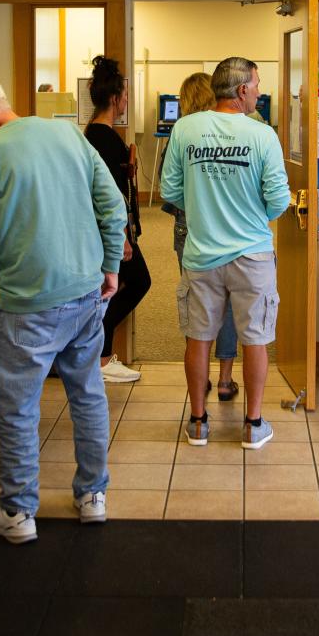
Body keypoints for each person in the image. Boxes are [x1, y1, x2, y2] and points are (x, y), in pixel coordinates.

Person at [0, 78, 126, 544]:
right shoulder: (65, 134)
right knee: (88, 394)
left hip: (28, 309)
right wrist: (111, 266)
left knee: (18, 410)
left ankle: (17, 512)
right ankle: (93, 496)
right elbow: (112, 205)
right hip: (85, 297)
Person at [160, 57, 290, 449]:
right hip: (253, 255)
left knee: (198, 339)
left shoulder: (185, 128)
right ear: (241, 91)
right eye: (256, 85)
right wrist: (251, 218)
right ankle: (252, 425)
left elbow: (169, 191)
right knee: (254, 339)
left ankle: (198, 423)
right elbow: (279, 200)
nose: (259, 91)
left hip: (201, 255)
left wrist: (205, 211)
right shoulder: (262, 134)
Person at [160, 72, 241, 401]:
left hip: (189, 226)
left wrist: (193, 206)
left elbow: (169, 190)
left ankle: (200, 376)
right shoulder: (236, 133)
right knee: (231, 303)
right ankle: (225, 379)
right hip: (231, 228)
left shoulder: (181, 134)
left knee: (198, 301)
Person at [83, 55, 152, 383]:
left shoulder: (92, 135)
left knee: (120, 285)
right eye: (124, 96)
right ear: (114, 99)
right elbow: (109, 196)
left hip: (103, 232)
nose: (126, 101)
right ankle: (102, 356)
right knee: (138, 281)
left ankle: (101, 352)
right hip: (109, 234)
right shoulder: (104, 140)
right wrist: (122, 235)